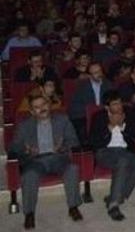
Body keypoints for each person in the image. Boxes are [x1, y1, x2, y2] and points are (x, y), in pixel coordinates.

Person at [9, 94, 83, 229]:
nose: (41, 109)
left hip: (58, 158)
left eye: (43, 105)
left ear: (49, 105)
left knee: (72, 169)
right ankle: (29, 213)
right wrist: (26, 150)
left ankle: (73, 206)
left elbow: (74, 140)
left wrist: (63, 147)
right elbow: (14, 147)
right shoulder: (24, 126)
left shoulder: (62, 120)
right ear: (31, 111)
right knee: (29, 176)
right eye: (36, 107)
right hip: (35, 160)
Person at [89, 90, 135, 221]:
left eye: (120, 103)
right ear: (107, 107)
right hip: (104, 152)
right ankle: (113, 205)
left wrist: (123, 127)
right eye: (115, 104)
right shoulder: (98, 117)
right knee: (122, 162)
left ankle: (119, 196)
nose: (119, 106)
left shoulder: (129, 113)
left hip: (125, 151)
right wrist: (110, 127)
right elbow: (94, 142)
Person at [68, 62, 114, 145]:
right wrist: (90, 113)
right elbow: (75, 107)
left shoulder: (108, 84)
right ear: (89, 75)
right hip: (84, 115)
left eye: (100, 71)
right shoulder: (82, 86)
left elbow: (111, 101)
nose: (99, 74)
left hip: (102, 114)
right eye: (95, 73)